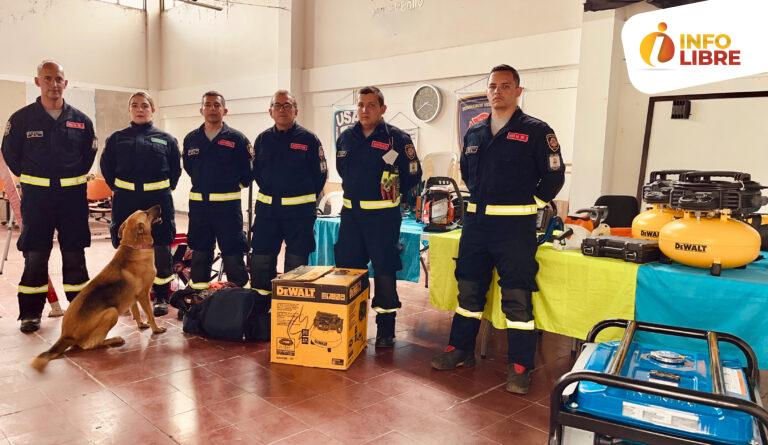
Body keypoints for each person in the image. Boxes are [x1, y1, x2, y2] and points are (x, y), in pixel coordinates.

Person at [430, 64, 565, 394]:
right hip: (476, 225)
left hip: (514, 227)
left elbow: (554, 175)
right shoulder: (475, 131)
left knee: (517, 296)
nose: (497, 91)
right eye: (492, 86)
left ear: (518, 91)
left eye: (505, 86)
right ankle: (459, 349)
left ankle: (520, 365)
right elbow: (466, 170)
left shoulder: (536, 130)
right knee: (469, 289)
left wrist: (529, 201)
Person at [1, 60, 97, 332]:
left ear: (65, 83)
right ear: (37, 82)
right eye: (47, 78)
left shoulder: (81, 120)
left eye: (58, 79)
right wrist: (36, 177)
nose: (53, 84)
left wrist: (67, 177)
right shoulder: (21, 119)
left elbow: (88, 155)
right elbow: (10, 154)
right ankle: (31, 313)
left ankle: (80, 311)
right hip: (37, 197)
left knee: (74, 252)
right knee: (35, 254)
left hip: (72, 197)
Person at [334, 86, 422, 348]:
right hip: (351, 216)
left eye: (371, 105)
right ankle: (353, 324)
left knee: (384, 271)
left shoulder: (398, 139)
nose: (364, 110)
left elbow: (413, 174)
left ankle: (385, 329)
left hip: (383, 218)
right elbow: (342, 171)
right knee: (350, 271)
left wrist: (395, 194)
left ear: (383, 109)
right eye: (361, 105)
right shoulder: (346, 138)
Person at [100, 91, 181, 316]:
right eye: (135, 105)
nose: (139, 109)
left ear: (152, 109)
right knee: (125, 246)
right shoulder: (117, 138)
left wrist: (164, 188)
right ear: (129, 110)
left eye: (144, 105)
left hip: (158, 199)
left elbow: (175, 170)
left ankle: (161, 296)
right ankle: (126, 295)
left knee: (161, 245)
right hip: (126, 199)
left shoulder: (167, 139)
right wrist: (120, 188)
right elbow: (106, 167)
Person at [250, 90, 327, 296]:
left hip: (299, 215)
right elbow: (256, 172)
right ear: (270, 111)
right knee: (261, 260)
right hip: (268, 213)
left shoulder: (309, 140)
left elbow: (320, 175)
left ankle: (291, 305)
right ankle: (260, 307)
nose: (282, 109)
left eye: (287, 105)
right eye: (277, 105)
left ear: (296, 111)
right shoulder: (262, 140)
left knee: (296, 262)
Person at [182, 91, 251, 290]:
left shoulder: (237, 139)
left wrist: (228, 187)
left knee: (232, 253)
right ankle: (198, 300)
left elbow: (248, 173)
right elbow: (189, 167)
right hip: (199, 207)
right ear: (201, 109)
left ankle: (238, 301)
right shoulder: (191, 139)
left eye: (217, 105)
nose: (212, 109)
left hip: (227, 208)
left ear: (225, 110)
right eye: (208, 105)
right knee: (200, 252)